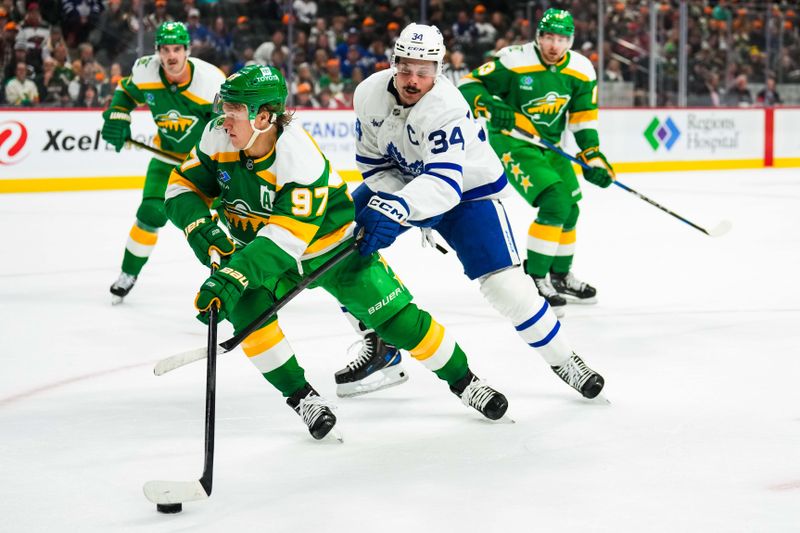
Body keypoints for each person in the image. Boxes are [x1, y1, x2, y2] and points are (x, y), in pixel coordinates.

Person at [163, 64, 509, 440]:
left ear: (264, 116)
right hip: (260, 251)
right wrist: (201, 228)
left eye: (233, 111)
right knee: (249, 317)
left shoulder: (298, 156)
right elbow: (181, 187)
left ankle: (466, 381)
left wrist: (235, 273)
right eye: (224, 108)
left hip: (331, 251)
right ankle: (302, 397)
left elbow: (285, 240)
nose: (223, 119)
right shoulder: (217, 136)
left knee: (401, 323)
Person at [335, 23, 604, 402]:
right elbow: (374, 165)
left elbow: (444, 186)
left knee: (507, 288)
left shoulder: (446, 107)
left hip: (467, 192)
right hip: (405, 181)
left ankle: (564, 359)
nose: (413, 80)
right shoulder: (368, 93)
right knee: (333, 244)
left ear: (438, 70)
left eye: (424, 71)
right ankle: (379, 343)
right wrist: (393, 201)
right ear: (393, 62)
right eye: (406, 68)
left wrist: (399, 207)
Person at [459, 8, 615, 314]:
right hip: (514, 141)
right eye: (548, 37)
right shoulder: (515, 60)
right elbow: (468, 85)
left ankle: (560, 276)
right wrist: (490, 103)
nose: (554, 45)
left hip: (551, 146)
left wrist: (593, 156)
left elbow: (583, 119)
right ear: (538, 37)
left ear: (571, 40)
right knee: (555, 201)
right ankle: (535, 278)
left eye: (562, 38)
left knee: (570, 210)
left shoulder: (582, 70)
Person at [102, 21, 225, 303]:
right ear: (157, 50)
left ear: (187, 51)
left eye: (177, 49)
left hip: (205, 165)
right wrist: (119, 113)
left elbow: (226, 127)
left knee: (225, 224)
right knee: (150, 213)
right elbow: (125, 92)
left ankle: (246, 281)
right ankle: (128, 273)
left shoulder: (210, 82)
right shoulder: (146, 71)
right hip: (165, 159)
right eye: (165, 49)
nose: (171, 56)